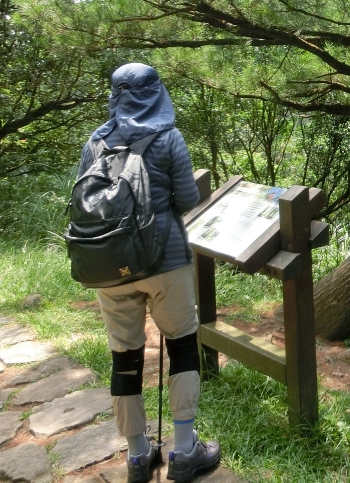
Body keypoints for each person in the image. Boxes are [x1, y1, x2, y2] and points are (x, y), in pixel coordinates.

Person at [77, 63, 220, 483]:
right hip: (166, 261)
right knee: (182, 345)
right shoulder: (168, 137)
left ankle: (138, 455)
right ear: (156, 93)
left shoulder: (97, 141)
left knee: (125, 355)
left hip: (110, 265)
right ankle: (185, 448)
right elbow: (188, 198)